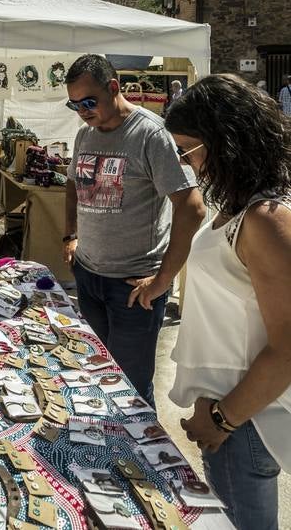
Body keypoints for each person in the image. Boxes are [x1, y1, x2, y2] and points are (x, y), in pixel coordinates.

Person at [163, 74, 291, 530]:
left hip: (245, 418)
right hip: (231, 413)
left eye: (188, 151)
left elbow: (287, 347)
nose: (188, 165)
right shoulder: (240, 207)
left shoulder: (264, 220)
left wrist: (221, 418)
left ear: (225, 141)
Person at [63, 54, 205, 405]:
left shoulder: (150, 134)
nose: (82, 111)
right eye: (74, 104)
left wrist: (162, 280)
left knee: (130, 391)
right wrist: (71, 235)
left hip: (132, 288)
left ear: (114, 88)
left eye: (89, 101)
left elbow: (192, 207)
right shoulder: (85, 134)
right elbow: (71, 184)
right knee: (97, 374)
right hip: (89, 275)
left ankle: (141, 459)